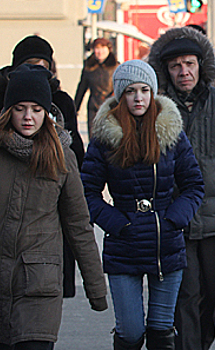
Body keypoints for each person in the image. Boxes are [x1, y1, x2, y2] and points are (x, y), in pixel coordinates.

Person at [0, 64, 108, 350]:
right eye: (20, 108)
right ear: (7, 110)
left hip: (38, 287)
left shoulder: (62, 158)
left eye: (36, 109)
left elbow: (78, 226)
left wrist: (96, 288)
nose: (27, 117)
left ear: (47, 112)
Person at [81, 59, 204, 350]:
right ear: (120, 96)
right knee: (131, 332)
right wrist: (117, 223)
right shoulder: (105, 138)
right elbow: (86, 192)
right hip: (124, 246)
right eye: (131, 91)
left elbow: (193, 184)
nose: (138, 98)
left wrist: (174, 219)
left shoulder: (170, 133)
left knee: (162, 333)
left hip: (166, 246)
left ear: (153, 93)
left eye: (145, 90)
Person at [147, 26, 215, 350]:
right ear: (165, 70)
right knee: (186, 297)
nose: (183, 72)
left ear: (201, 65)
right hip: (175, 222)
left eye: (189, 64)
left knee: (211, 297)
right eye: (176, 65)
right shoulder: (155, 109)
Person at [0, 34, 85, 298]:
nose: (28, 116)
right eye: (30, 63)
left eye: (43, 65)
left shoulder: (60, 99)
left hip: (44, 210)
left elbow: (76, 155)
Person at [74, 37, 119, 139]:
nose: (100, 52)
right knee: (94, 139)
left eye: (103, 48)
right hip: (94, 107)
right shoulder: (89, 67)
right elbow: (82, 88)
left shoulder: (116, 66)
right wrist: (75, 108)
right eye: (97, 48)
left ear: (108, 49)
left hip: (111, 108)